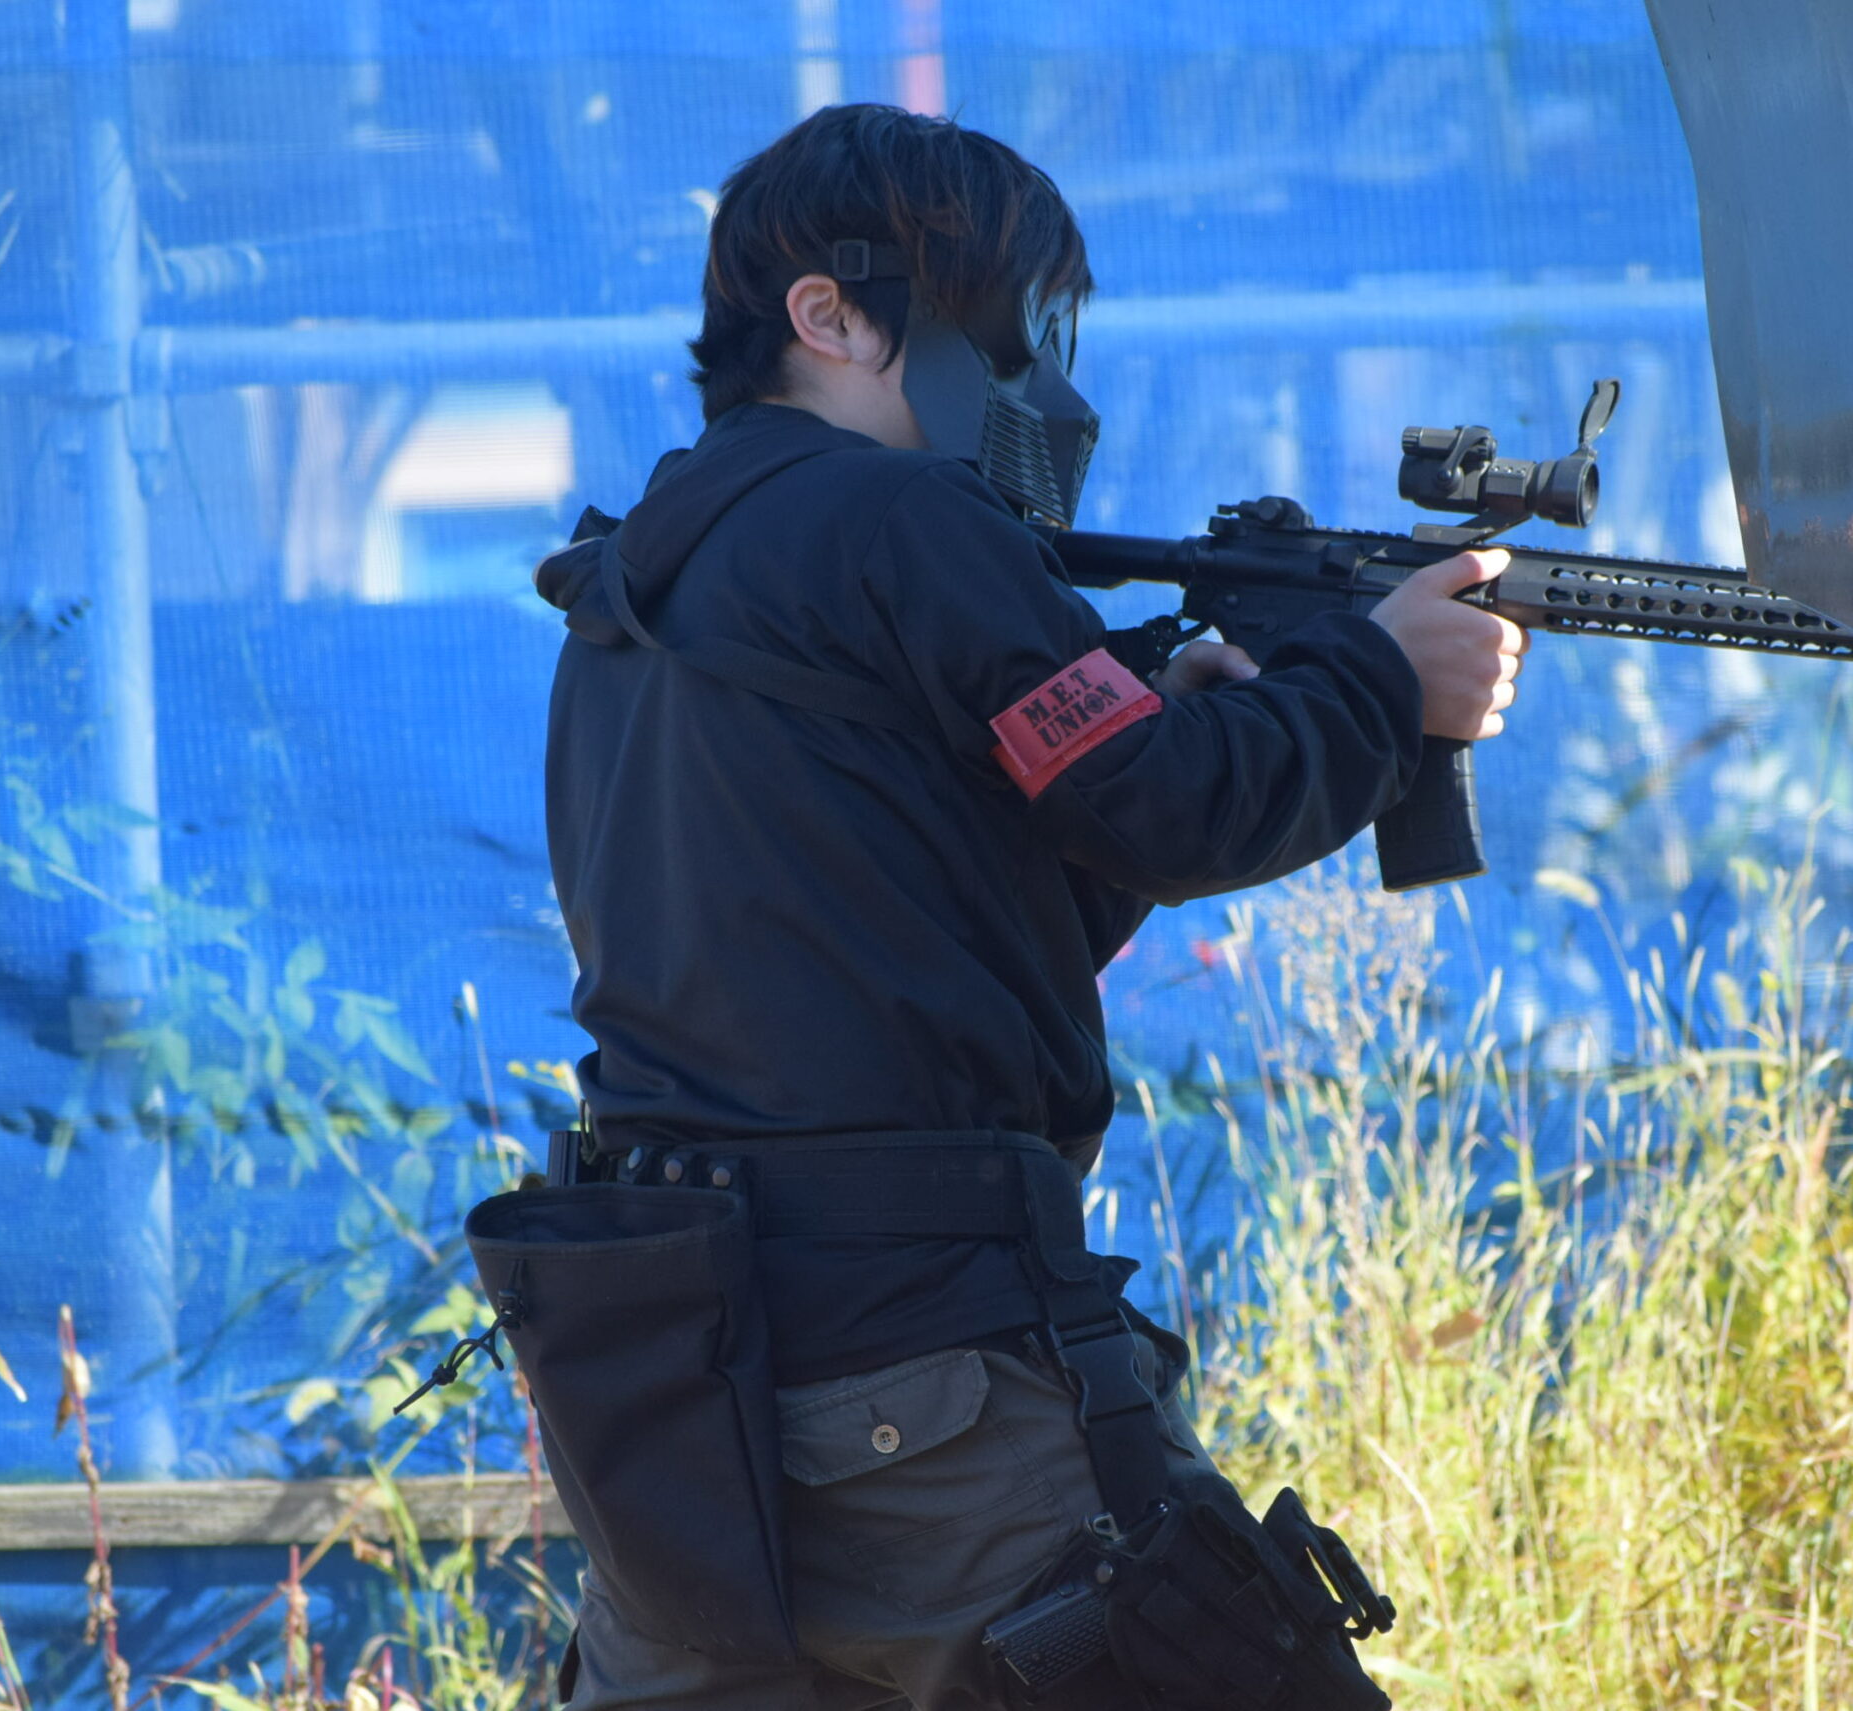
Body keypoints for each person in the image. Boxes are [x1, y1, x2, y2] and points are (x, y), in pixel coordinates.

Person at [525, 102, 1527, 1710]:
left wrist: (1177, 711)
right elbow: (1173, 809)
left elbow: (946, 918)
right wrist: (1376, 680)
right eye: (1010, 325)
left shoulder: (638, 579)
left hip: (686, 1388)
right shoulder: (903, 518)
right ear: (829, 314)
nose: (1044, 385)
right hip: (930, 1377)